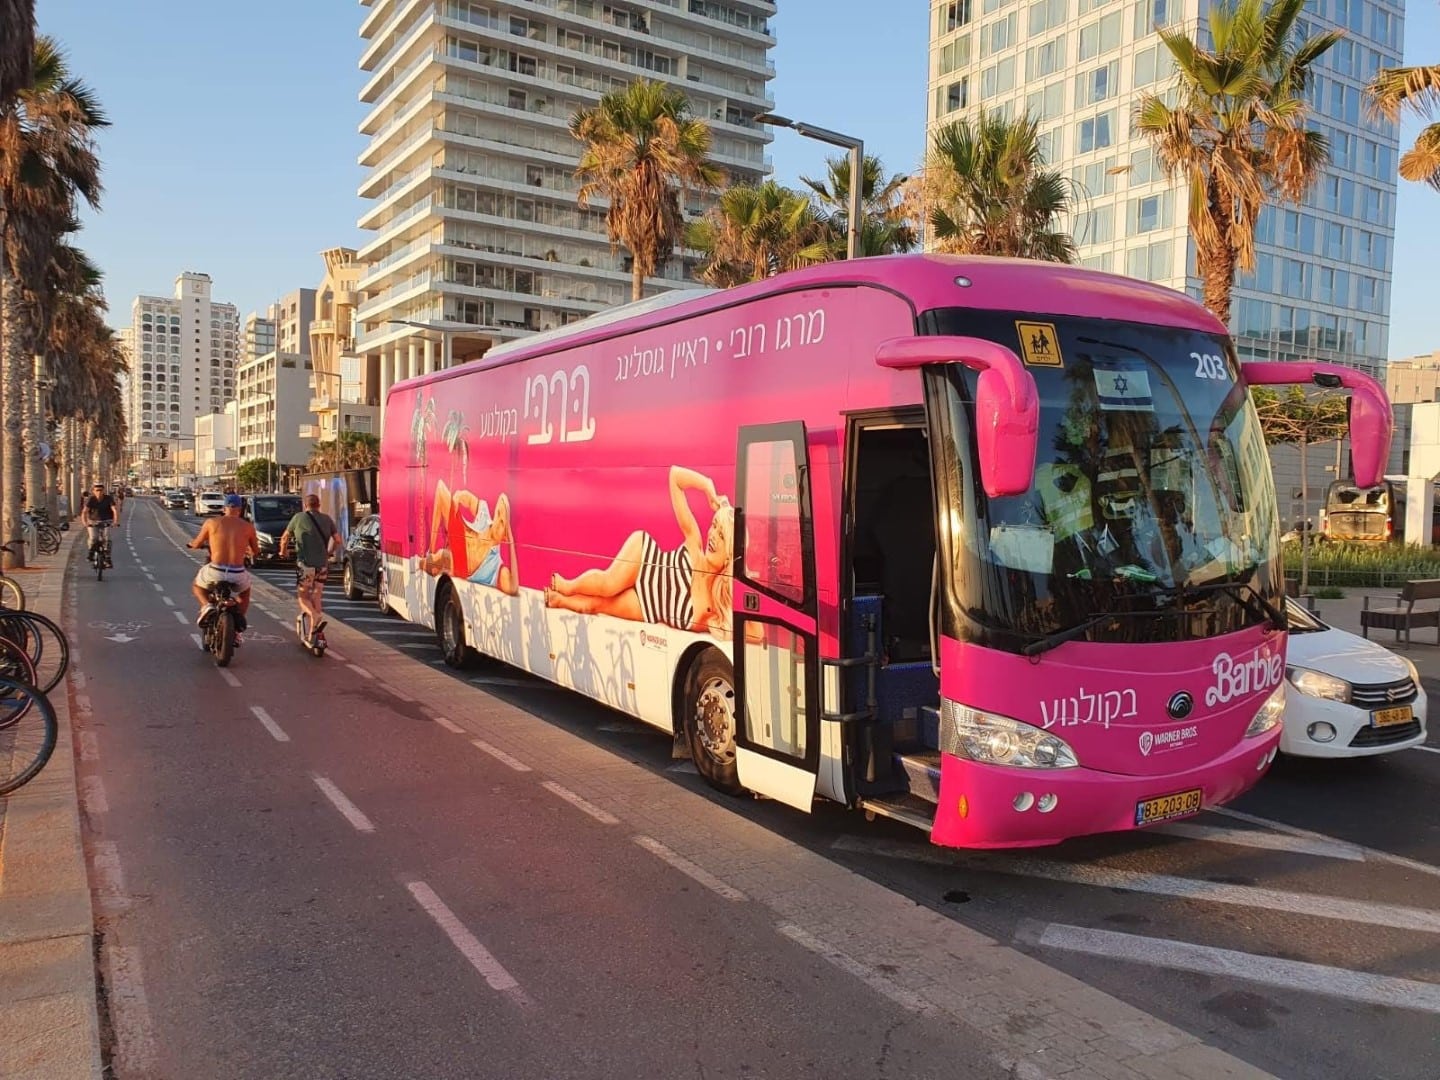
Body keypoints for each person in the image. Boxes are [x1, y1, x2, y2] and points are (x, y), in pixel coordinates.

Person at [545, 466, 733, 639]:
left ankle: (561, 601)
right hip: (645, 559)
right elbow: (675, 477)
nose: (713, 535)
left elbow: (754, 631)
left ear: (729, 555)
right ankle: (569, 586)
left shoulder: (713, 611)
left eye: (722, 535)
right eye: (714, 526)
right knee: (607, 584)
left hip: (647, 606)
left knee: (597, 606)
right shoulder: (695, 543)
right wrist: (707, 485)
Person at [420, 480, 519, 596]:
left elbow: (513, 587)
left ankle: (427, 561)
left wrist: (512, 541)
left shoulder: (496, 565)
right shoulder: (485, 517)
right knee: (441, 488)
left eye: (502, 522)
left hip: (462, 565)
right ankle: (430, 550)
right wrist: (460, 496)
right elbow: (470, 500)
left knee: (443, 556)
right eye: (497, 513)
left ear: (505, 536)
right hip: (460, 536)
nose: (497, 522)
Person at [188, 493, 258, 636]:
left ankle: (207, 606)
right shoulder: (248, 527)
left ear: (224, 508)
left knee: (197, 585)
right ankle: (238, 626)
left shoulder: (211, 522)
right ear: (240, 509)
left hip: (216, 569)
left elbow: (197, 542)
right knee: (245, 593)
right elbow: (256, 550)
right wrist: (249, 551)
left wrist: (191, 544)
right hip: (237, 572)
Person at [279, 493, 341, 638]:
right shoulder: (327, 519)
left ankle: (313, 614)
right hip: (322, 565)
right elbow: (338, 540)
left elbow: (284, 538)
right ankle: (314, 631)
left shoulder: (298, 518)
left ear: (305, 505)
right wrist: (329, 552)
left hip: (305, 564)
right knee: (317, 595)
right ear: (318, 505)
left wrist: (283, 551)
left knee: (303, 595)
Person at [81, 483, 119, 567]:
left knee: (107, 538)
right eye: (97, 490)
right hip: (93, 521)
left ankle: (108, 558)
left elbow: (114, 510)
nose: (99, 492)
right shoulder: (91, 499)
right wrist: (85, 523)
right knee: (93, 538)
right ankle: (91, 553)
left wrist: (115, 522)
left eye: (101, 490)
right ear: (93, 491)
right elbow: (84, 512)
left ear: (104, 491)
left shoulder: (108, 498)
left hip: (106, 521)